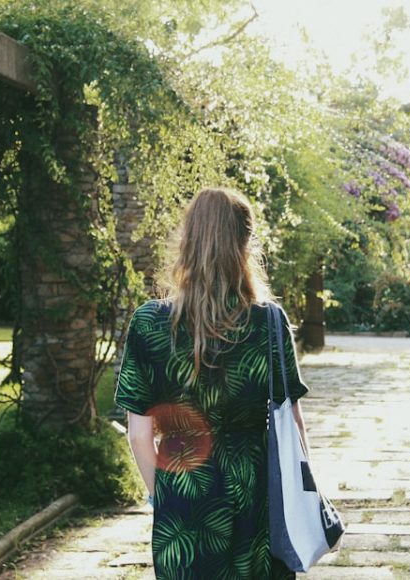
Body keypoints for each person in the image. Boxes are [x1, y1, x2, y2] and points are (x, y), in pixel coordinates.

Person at [115, 187, 310, 579]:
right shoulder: (268, 323)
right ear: (245, 246)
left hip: (182, 497)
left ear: (187, 241)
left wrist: (162, 496)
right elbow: (295, 426)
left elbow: (138, 435)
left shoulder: (150, 324)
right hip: (255, 500)